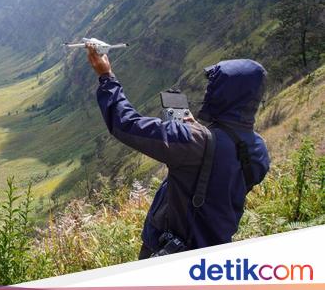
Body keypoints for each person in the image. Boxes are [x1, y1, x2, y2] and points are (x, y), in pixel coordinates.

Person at [86, 45, 270, 258]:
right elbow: (220, 177)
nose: (208, 90)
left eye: (214, 85)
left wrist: (106, 77)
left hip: (169, 251)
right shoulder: (259, 150)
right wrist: (203, 131)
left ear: (225, 94)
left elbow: (125, 124)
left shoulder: (193, 141)